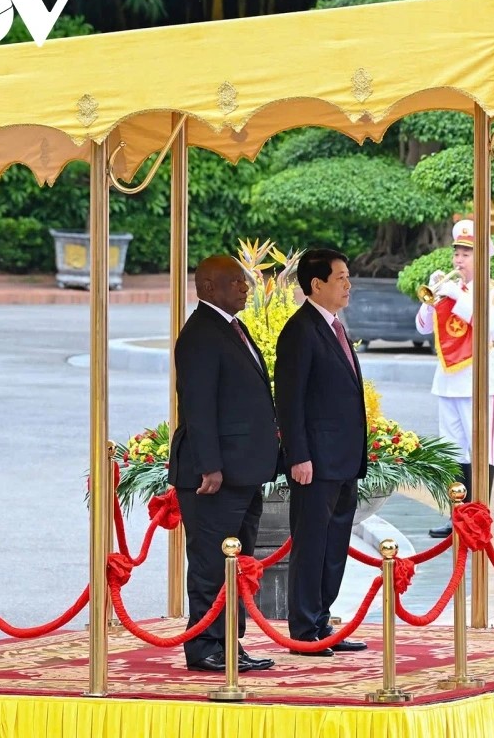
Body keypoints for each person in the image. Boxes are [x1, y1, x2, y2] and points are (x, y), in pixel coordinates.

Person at [169, 254, 278, 674]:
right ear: (209, 287)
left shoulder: (233, 328)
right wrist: (209, 466)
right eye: (236, 282)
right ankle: (204, 647)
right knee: (211, 564)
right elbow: (198, 407)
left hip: (243, 471)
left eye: (245, 281)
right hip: (214, 474)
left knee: (238, 563)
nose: (245, 288)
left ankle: (230, 642)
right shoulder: (200, 333)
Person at [275, 248, 369, 655]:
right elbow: (289, 400)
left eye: (348, 277)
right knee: (312, 545)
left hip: (343, 460)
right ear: (316, 284)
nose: (348, 285)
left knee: (333, 547)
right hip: (315, 461)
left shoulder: (334, 326)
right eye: (340, 277)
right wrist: (298, 455)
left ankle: (323, 622)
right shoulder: (300, 330)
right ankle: (303, 628)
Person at [416, 220, 494, 538]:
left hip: (479, 378)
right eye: (457, 253)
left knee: (480, 448)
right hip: (447, 378)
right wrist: (432, 300)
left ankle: (479, 514)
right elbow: (422, 327)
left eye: (466, 254)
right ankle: (456, 514)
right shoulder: (447, 288)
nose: (459, 260)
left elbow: (488, 326)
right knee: (453, 449)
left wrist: (457, 294)